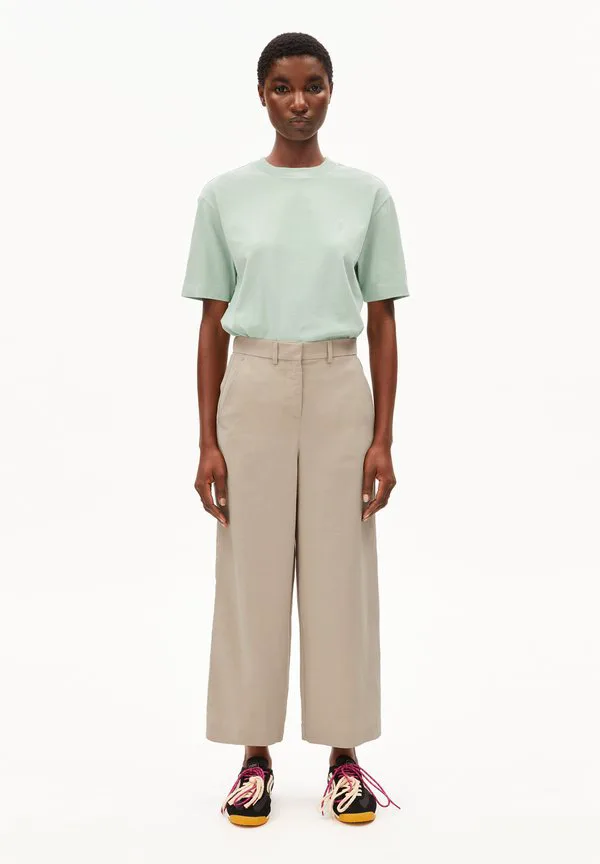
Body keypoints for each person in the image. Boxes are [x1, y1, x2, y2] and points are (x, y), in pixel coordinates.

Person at [181, 31, 408, 826]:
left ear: (332, 90)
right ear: (262, 95)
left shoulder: (366, 195)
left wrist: (383, 438)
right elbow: (211, 322)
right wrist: (207, 442)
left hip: (341, 384)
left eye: (313, 85)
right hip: (253, 387)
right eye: (282, 86)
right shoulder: (224, 196)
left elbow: (382, 320)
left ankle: (345, 759)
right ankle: (254, 759)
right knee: (252, 574)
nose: (299, 101)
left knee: (342, 574)